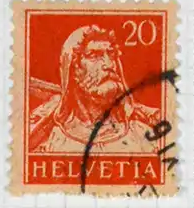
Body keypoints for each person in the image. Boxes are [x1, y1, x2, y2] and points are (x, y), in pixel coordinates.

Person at [27, 25, 166, 157]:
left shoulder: (145, 138)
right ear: (73, 69)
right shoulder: (48, 141)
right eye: (94, 56)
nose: (109, 64)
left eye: (111, 55)